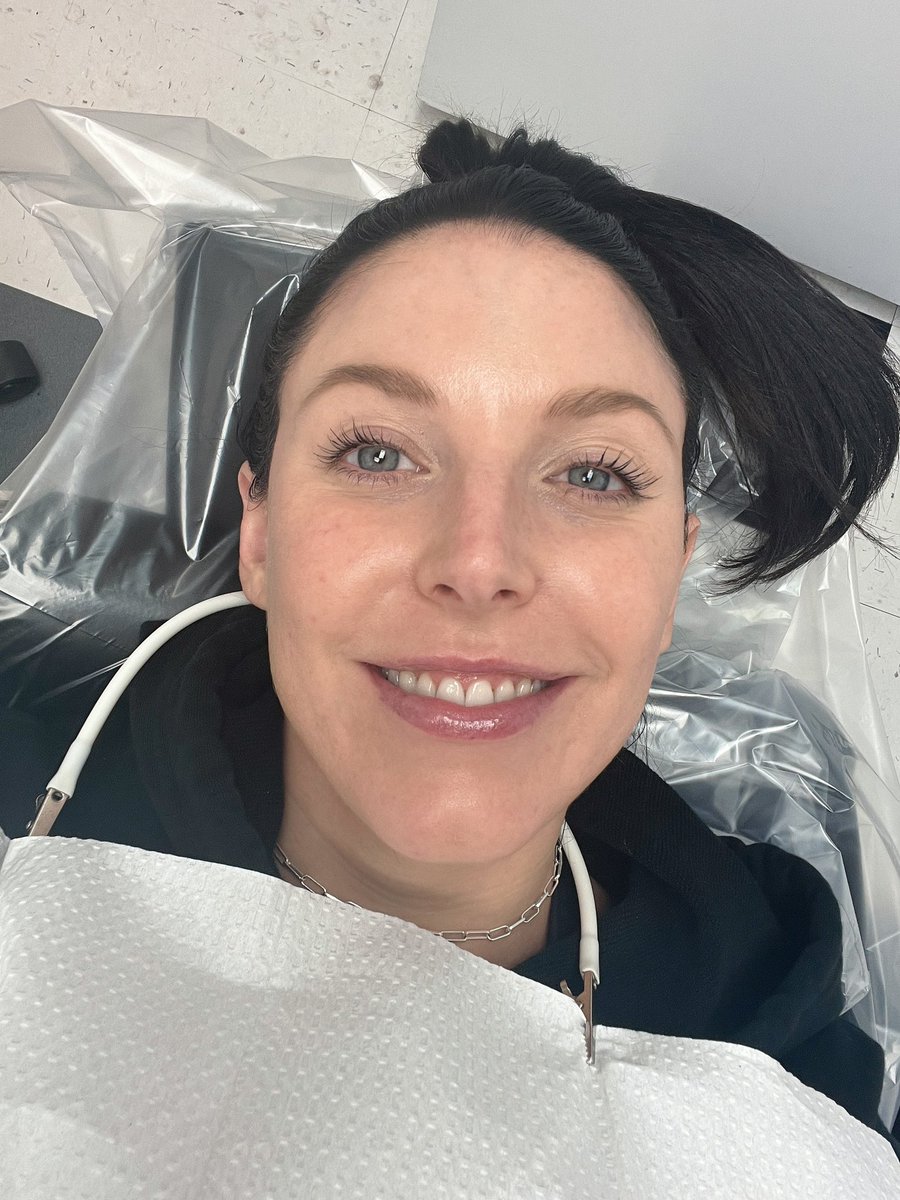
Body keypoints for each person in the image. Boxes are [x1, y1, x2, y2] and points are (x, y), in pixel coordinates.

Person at [7, 116, 900, 1159]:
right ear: (260, 533)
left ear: (672, 569)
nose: (480, 563)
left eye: (593, 473)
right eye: (378, 454)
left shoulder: (776, 1037)